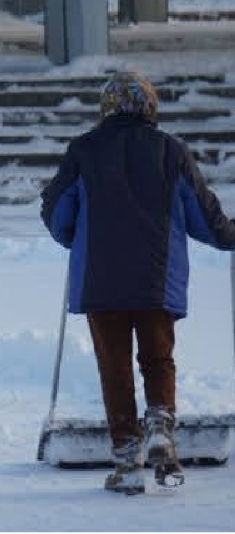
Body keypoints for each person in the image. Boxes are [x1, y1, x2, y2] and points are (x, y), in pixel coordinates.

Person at [40, 71, 235, 494]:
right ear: (150, 107)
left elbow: (57, 216)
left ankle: (127, 462)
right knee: (158, 358)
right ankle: (161, 428)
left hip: (100, 278)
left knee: (115, 367)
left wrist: (74, 236)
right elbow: (205, 218)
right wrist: (230, 235)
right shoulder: (172, 151)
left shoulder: (84, 151)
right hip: (157, 277)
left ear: (106, 108)